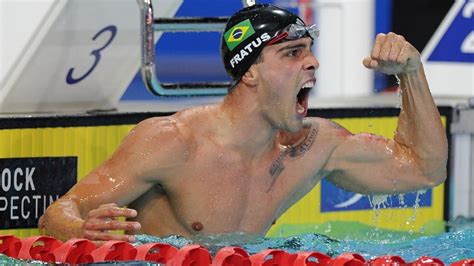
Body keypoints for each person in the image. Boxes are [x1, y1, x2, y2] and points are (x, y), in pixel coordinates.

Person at [39, 4, 448, 243]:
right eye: (291, 53)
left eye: (309, 50)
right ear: (249, 72)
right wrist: (80, 231)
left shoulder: (314, 147)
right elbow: (57, 213)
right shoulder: (173, 142)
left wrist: (411, 74)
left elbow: (425, 170)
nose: (312, 61)